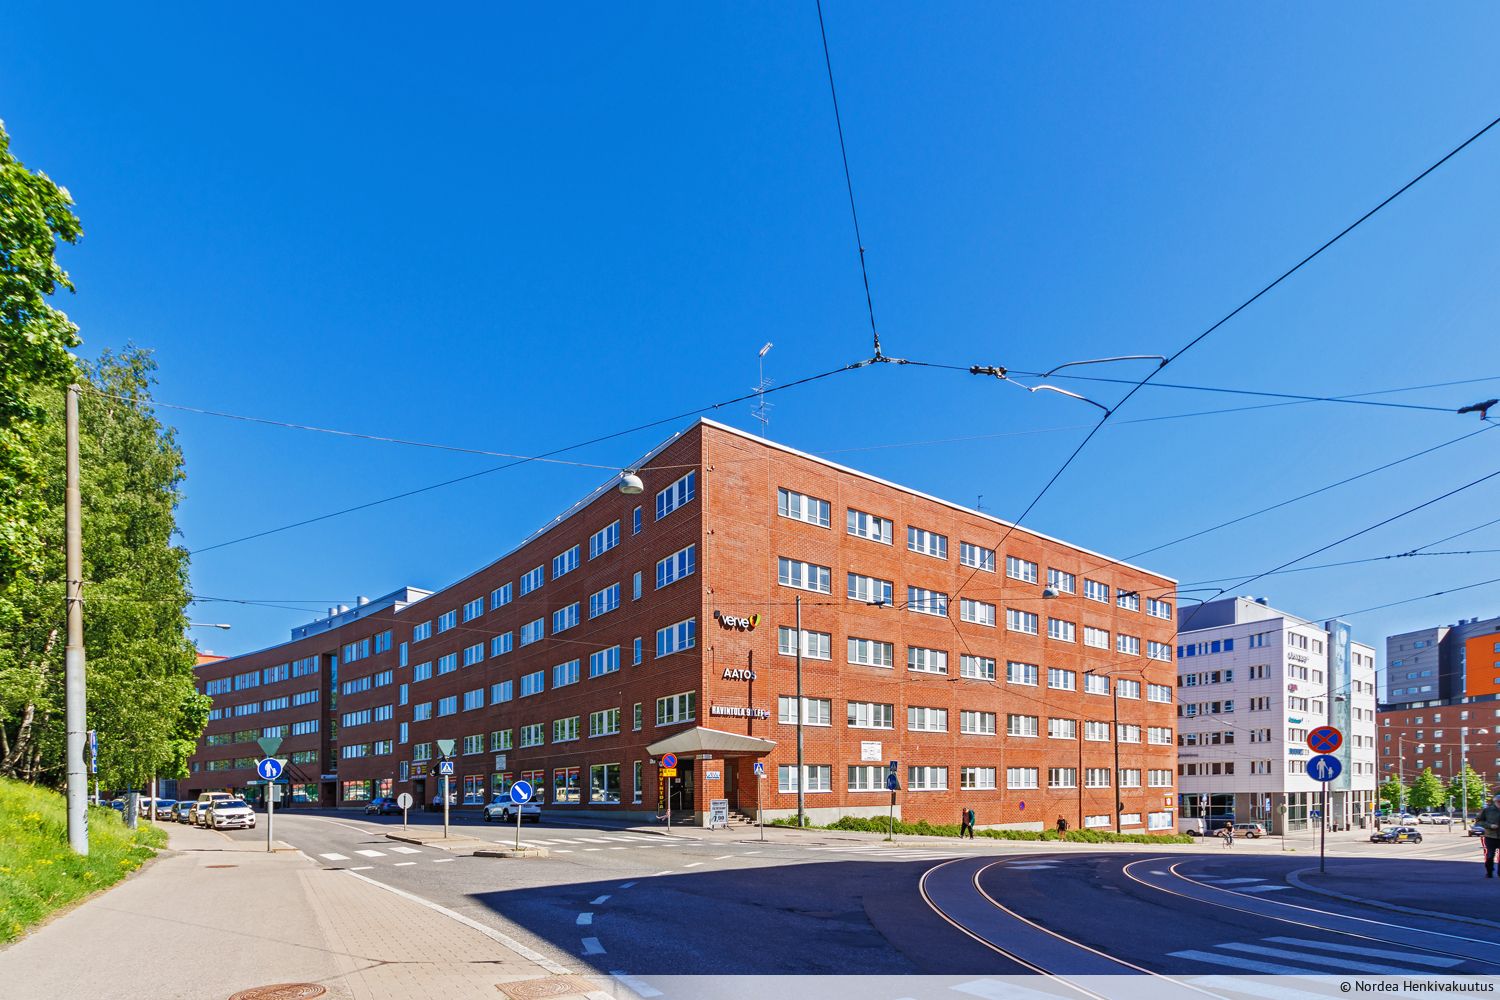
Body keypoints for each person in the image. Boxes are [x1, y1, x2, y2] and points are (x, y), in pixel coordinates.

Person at [1476, 794, 1500, 877]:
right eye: (1498, 801)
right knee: (1490, 855)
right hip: (1490, 836)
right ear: (1495, 802)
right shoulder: (1487, 810)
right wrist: (1490, 826)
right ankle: (1489, 872)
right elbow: (1479, 821)